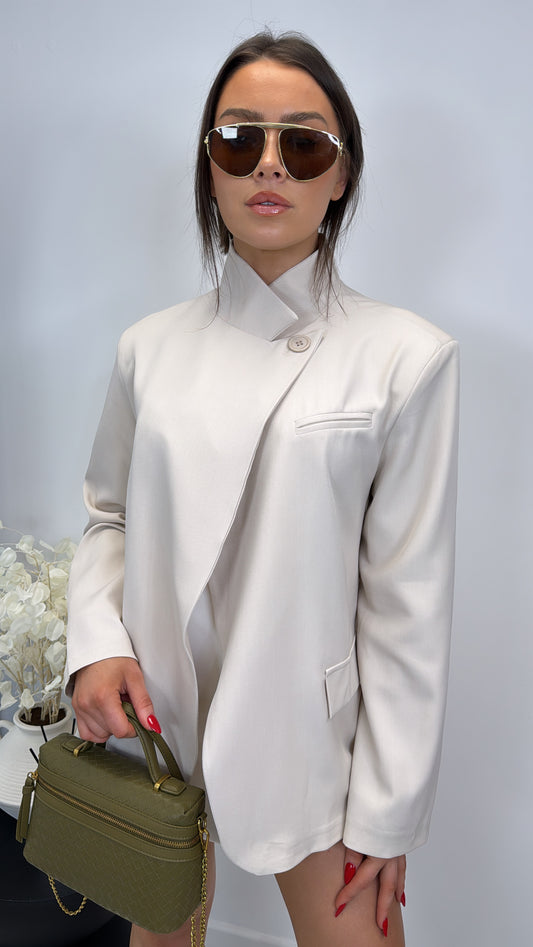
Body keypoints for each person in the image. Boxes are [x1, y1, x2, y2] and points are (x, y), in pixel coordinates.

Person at [66, 29, 459, 947]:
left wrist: (388, 812)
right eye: (240, 139)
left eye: (304, 143)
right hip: (155, 727)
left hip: (307, 744)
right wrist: (96, 647)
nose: (269, 165)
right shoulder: (148, 348)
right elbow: (108, 516)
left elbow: (406, 602)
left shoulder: (405, 357)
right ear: (210, 167)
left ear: (341, 173)